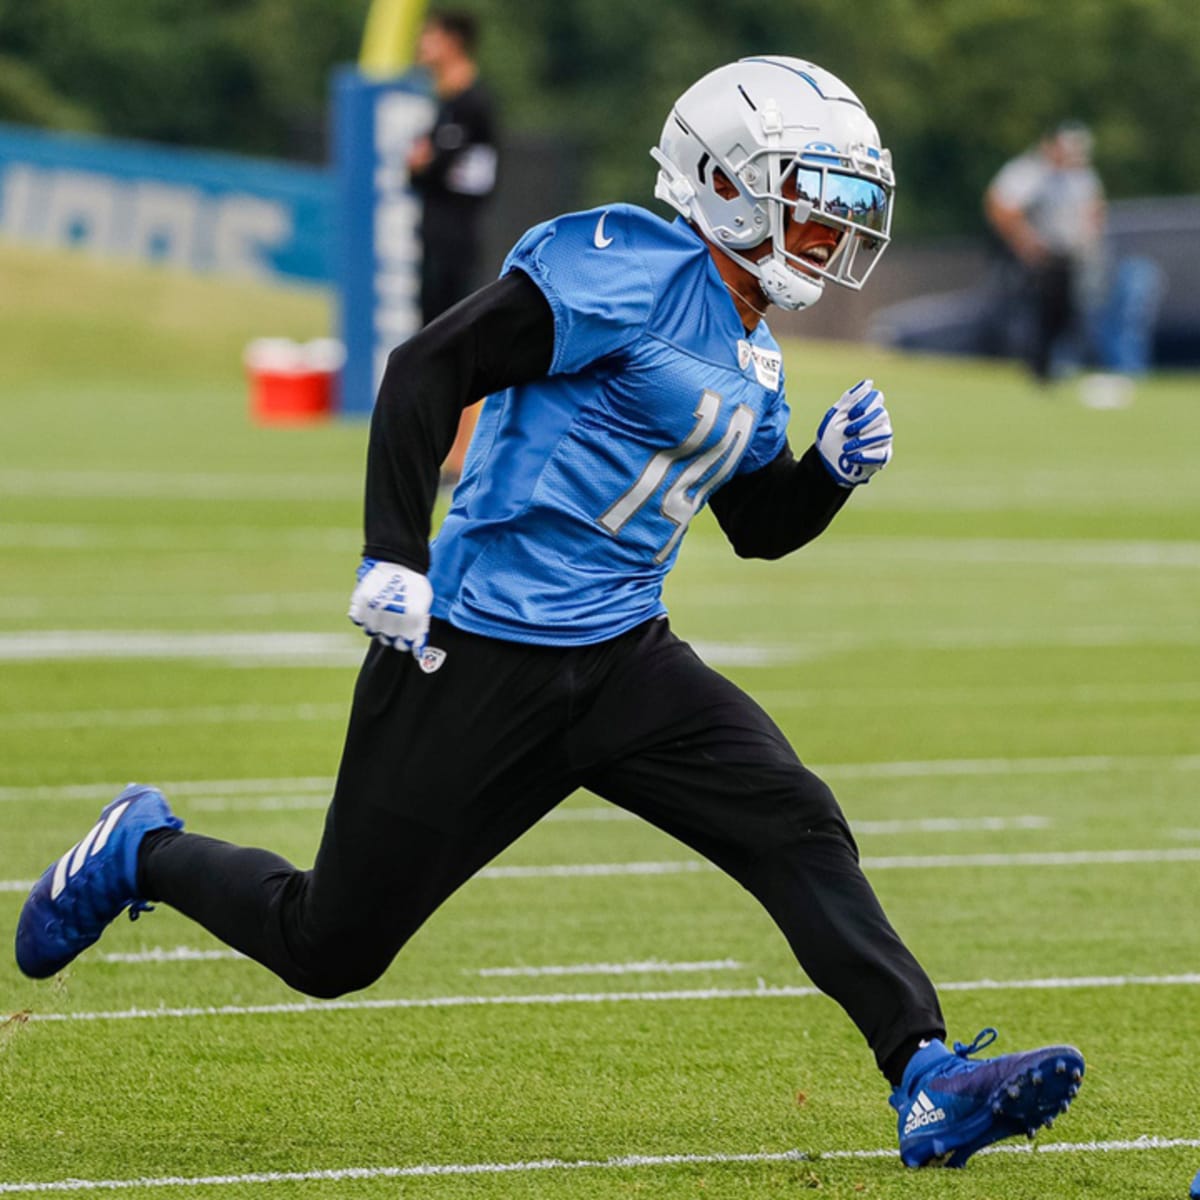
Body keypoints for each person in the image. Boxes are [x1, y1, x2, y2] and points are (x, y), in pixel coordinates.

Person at [16, 56, 1084, 1170]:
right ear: (724, 180)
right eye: (805, 199)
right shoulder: (624, 264)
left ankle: (928, 1077)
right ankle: (143, 848)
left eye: (838, 209)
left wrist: (827, 473)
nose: (825, 229)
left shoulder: (754, 342)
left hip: (624, 656)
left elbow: (757, 524)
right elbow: (427, 367)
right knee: (330, 946)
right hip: (479, 646)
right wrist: (396, 553)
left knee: (795, 823)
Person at [407, 9, 499, 479]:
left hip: (457, 241)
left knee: (460, 348)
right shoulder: (444, 103)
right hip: (435, 238)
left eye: (430, 37)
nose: (422, 45)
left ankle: (462, 455)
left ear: (453, 42)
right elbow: (418, 170)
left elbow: (443, 172)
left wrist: (427, 162)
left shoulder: (472, 104)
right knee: (432, 346)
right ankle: (441, 448)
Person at [984, 122, 1106, 384]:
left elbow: (1093, 211)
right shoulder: (1029, 172)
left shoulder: (1080, 177)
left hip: (1067, 258)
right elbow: (1000, 206)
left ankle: (1056, 366)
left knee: (1067, 314)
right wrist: (1026, 242)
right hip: (1036, 259)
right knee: (1035, 316)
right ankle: (1036, 368)